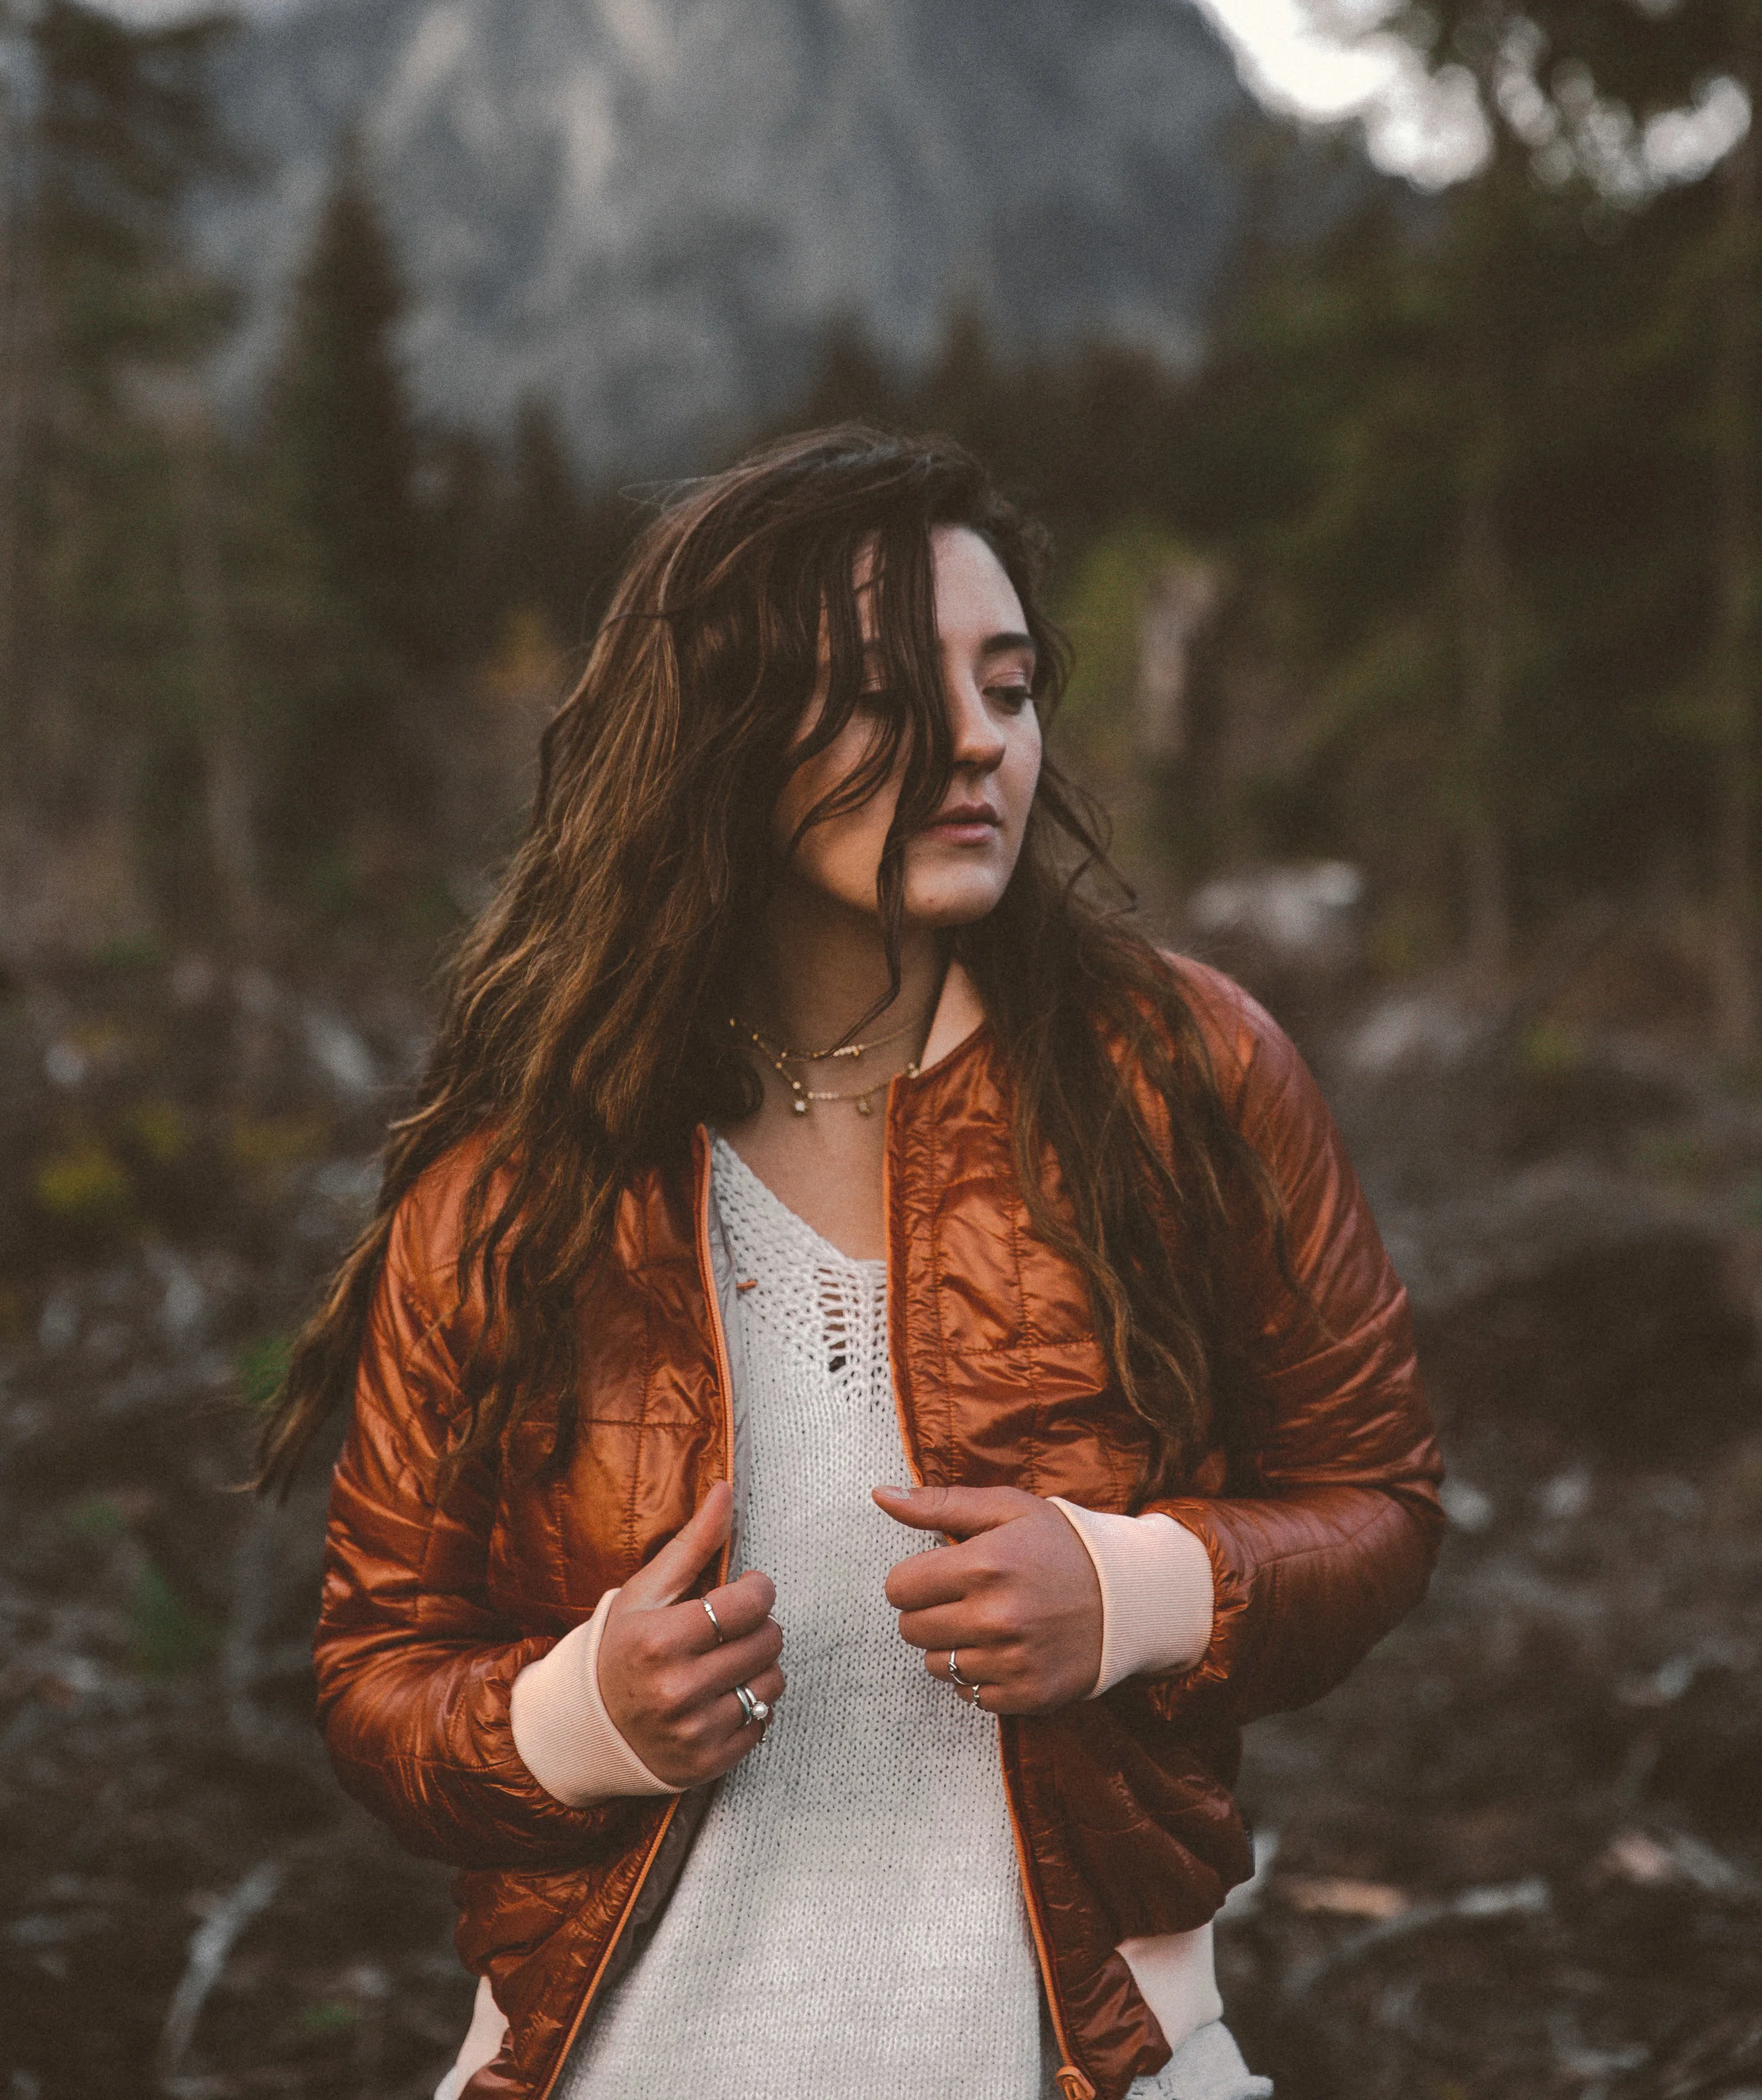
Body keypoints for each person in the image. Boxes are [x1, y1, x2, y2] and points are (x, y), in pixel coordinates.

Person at [259, 426, 1443, 2100]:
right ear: (720, 736)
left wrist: (1133, 1590)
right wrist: (575, 1717)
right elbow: (377, 1675)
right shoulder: (521, 1186)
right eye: (889, 695)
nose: (977, 744)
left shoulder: (1177, 1076)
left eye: (1010, 685)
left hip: (1092, 2058)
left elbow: (1376, 1497)